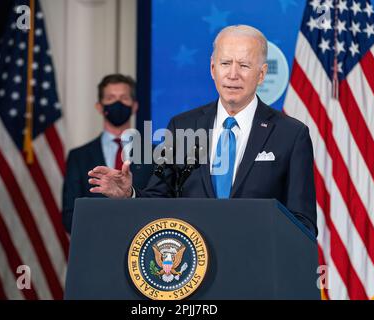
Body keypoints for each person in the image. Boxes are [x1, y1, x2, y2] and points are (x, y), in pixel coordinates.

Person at [88, 25, 317, 236]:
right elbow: (159, 198)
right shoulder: (182, 127)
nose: (233, 74)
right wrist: (130, 195)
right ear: (212, 68)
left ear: (262, 74)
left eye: (244, 65)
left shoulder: (291, 135)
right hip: (194, 270)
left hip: (259, 269)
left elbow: (303, 222)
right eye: (226, 63)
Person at [62, 74, 153, 233]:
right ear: (99, 107)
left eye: (124, 98)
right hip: (95, 247)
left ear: (134, 106)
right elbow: (70, 215)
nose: (118, 103)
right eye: (111, 98)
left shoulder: (155, 155)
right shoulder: (79, 157)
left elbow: (162, 204)